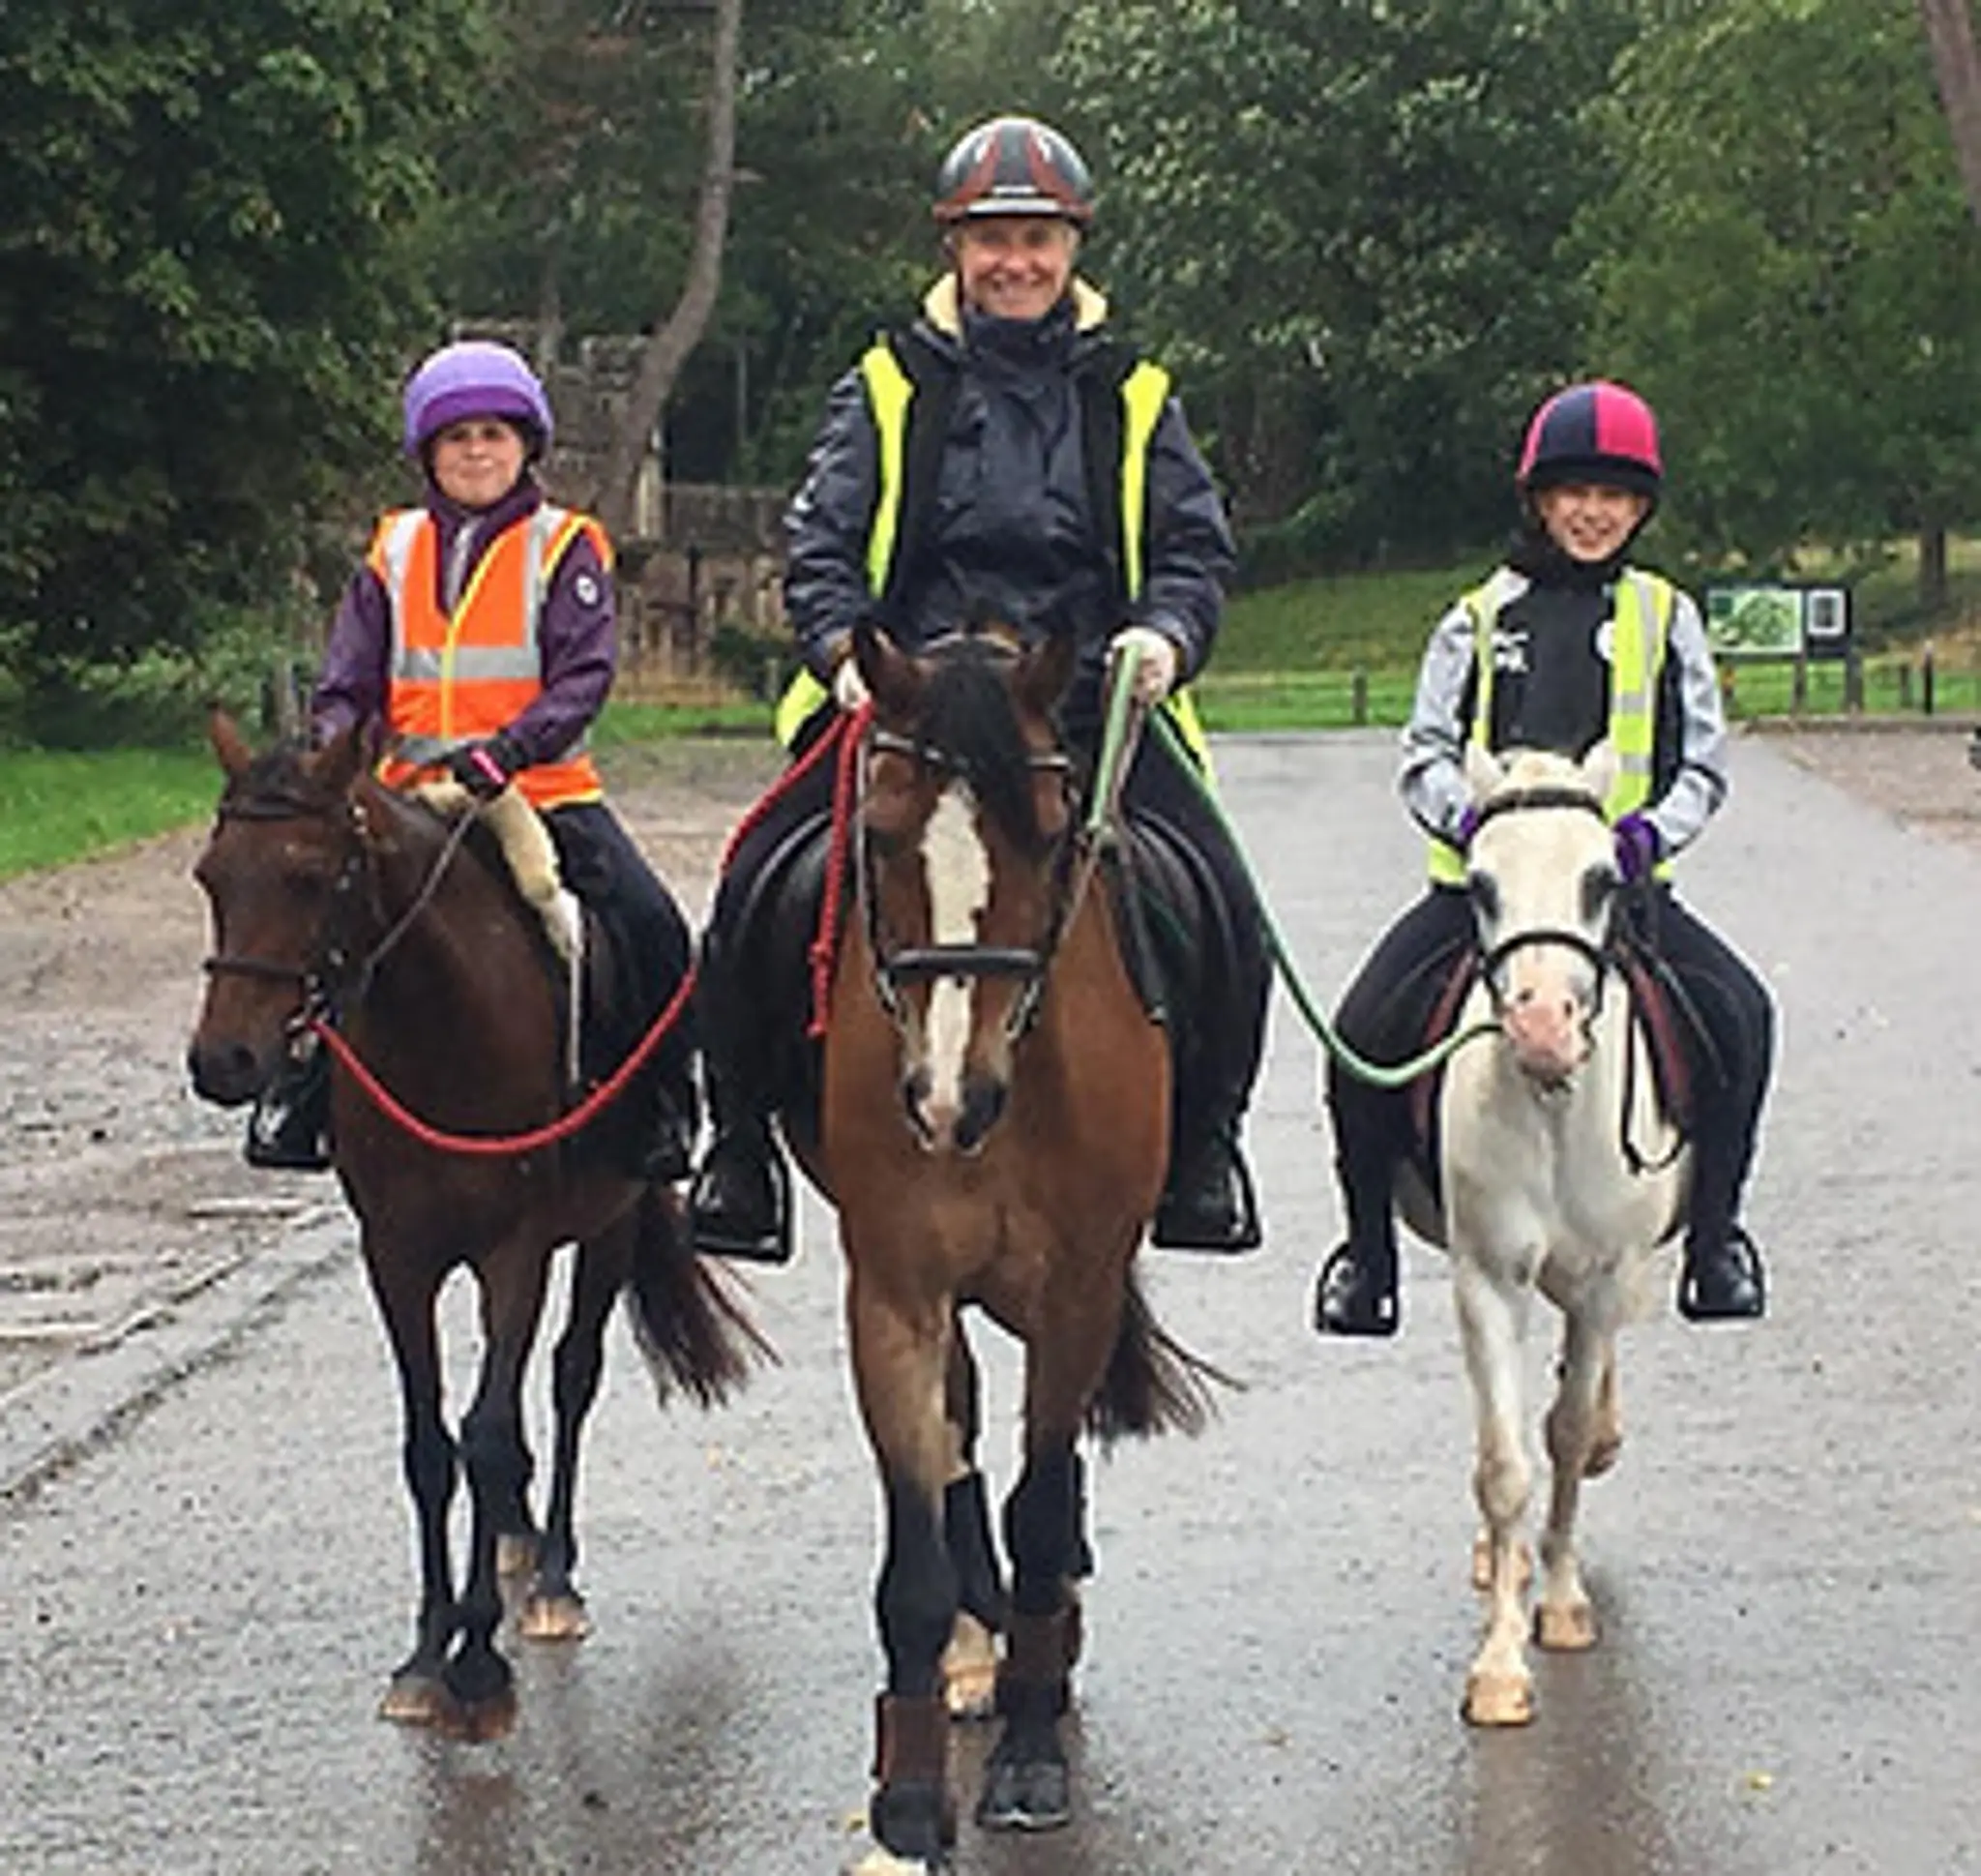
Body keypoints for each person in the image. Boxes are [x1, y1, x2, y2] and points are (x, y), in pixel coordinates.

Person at [688, 113, 1272, 1265]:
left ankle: (1206, 1145)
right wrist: (842, 655)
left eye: (1036, 239)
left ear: (1071, 248)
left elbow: (1193, 548)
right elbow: (820, 545)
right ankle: (741, 1145)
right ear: (954, 246)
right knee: (754, 887)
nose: (1015, 261)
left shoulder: (1135, 391)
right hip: (910, 701)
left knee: (1221, 902)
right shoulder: (885, 384)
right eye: (992, 239)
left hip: (1083, 700)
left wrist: (1165, 635)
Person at [1312, 378, 1772, 1337]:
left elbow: (1702, 762)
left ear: (1639, 508)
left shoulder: (1666, 616)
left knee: (1741, 1013)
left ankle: (1715, 1239)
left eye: (1613, 495)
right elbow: (1424, 752)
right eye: (1573, 492)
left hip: (1619, 897)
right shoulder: (1476, 618)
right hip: (1481, 898)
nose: (1592, 512)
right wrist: (1470, 825)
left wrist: (1647, 837)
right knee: (1358, 1035)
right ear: (1538, 500)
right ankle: (1367, 1258)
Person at [246, 338, 696, 1181]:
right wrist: (331, 752)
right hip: (403, 795)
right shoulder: (393, 549)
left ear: (527, 444)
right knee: (308, 913)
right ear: (429, 452)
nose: (476, 451)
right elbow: (349, 677)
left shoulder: (567, 545)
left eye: (494, 433)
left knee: (651, 925)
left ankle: (661, 1106)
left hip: (539, 790)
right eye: (457, 437)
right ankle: (300, 1095)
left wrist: (508, 752)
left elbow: (582, 677)